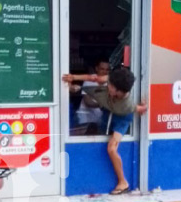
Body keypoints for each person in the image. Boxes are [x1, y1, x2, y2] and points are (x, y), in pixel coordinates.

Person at [62, 66, 147, 195]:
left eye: (111, 86)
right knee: (100, 130)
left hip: (122, 118)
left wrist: (144, 107)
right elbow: (94, 78)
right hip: (108, 108)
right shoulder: (112, 80)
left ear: (118, 92)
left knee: (111, 148)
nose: (108, 86)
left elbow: (139, 109)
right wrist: (73, 77)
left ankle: (123, 182)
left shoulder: (126, 107)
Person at [75, 59, 110, 128]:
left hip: (101, 117)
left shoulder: (110, 82)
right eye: (102, 69)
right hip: (86, 117)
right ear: (96, 69)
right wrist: (103, 105)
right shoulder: (89, 80)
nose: (105, 72)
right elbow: (88, 101)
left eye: (107, 69)